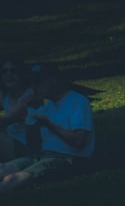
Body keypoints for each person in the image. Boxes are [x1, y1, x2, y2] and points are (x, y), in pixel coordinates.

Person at [0, 63, 95, 195]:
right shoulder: (47, 106)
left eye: (39, 82)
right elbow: (33, 146)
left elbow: (79, 142)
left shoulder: (78, 101)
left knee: (11, 179)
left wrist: (49, 124)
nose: (34, 87)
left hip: (67, 159)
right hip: (41, 156)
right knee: (2, 169)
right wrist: (30, 111)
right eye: (33, 82)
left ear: (54, 80)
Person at [0, 59, 33, 161]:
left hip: (27, 149)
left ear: (21, 75)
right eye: (4, 72)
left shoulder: (29, 95)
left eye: (13, 71)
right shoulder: (5, 96)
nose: (8, 75)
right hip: (11, 144)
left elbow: (6, 120)